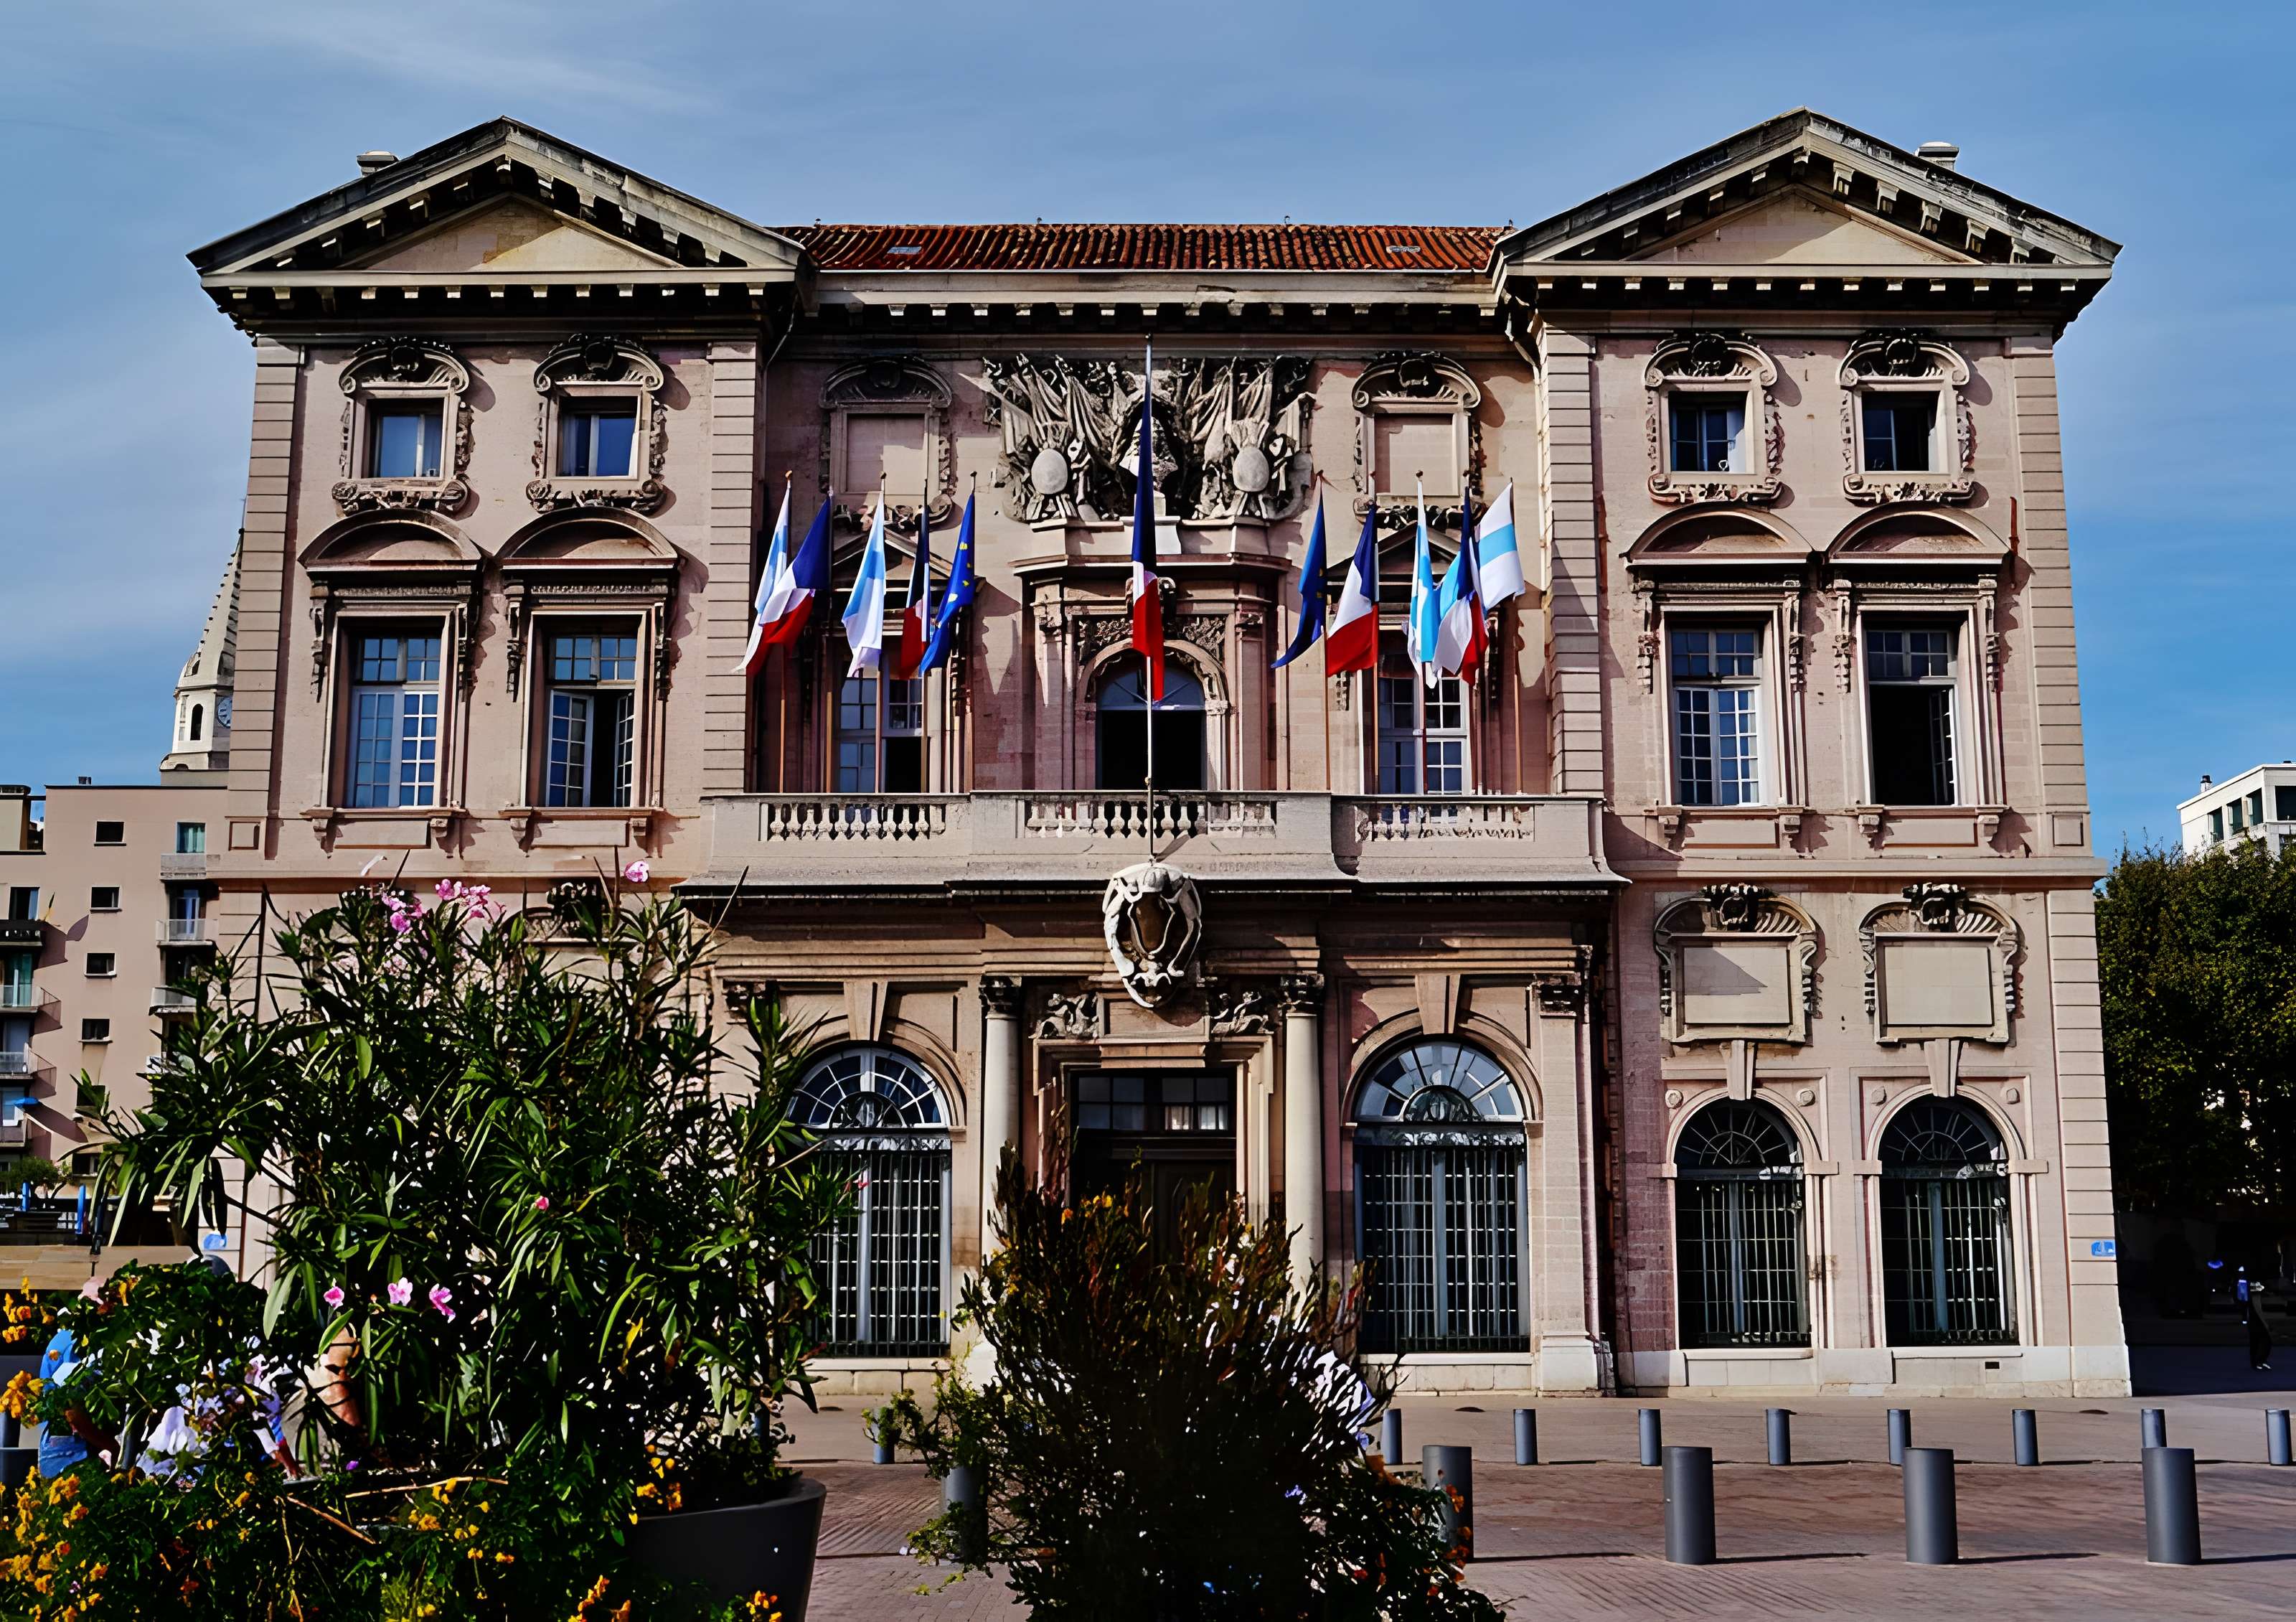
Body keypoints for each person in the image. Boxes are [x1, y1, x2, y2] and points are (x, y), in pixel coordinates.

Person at [2248, 1290, 2274, 1373]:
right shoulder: (2255, 1296)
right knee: (2266, 1341)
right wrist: (2266, 1324)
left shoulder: (2252, 1296)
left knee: (2255, 1342)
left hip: (2253, 1321)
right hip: (2257, 1322)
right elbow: (2258, 1311)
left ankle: (2256, 1362)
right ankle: (2260, 1361)